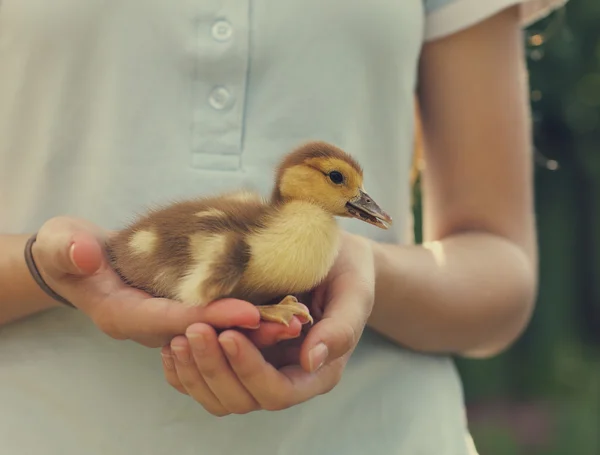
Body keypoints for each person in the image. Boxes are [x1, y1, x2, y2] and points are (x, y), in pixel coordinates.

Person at [0, 0, 566, 454]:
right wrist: (43, 268)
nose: (354, 198)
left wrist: (369, 271)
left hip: (380, 434)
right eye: (338, 183)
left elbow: (498, 268)